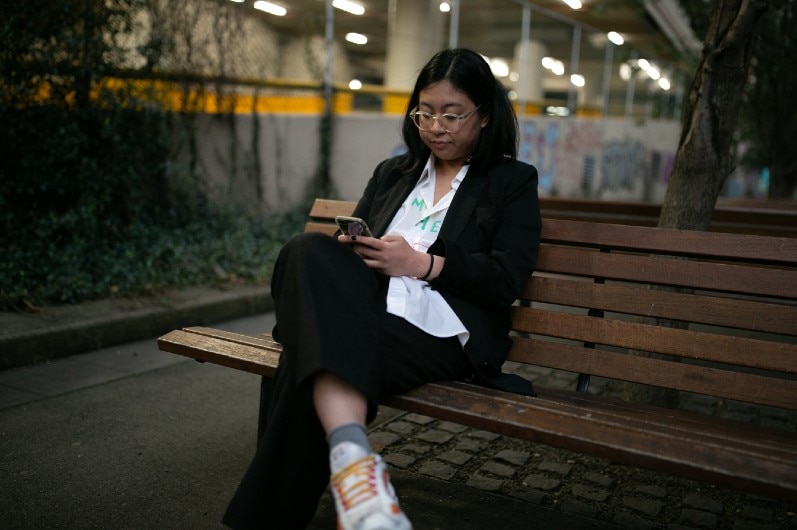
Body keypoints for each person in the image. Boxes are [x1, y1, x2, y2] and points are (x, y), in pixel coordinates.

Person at [222, 48, 542, 530]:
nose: (437, 127)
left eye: (452, 115)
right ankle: (356, 468)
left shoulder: (512, 181)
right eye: (426, 113)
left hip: (442, 326)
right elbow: (342, 251)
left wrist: (423, 263)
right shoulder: (393, 173)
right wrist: (356, 251)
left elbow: (505, 280)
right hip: (367, 304)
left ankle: (276, 513)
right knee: (306, 251)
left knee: (307, 352)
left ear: (485, 115)